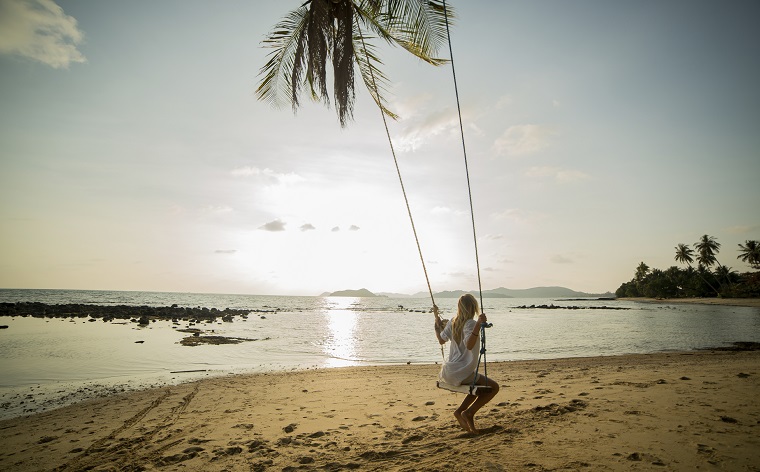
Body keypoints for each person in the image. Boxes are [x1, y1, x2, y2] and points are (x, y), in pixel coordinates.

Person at [434, 294, 499, 434]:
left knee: (477, 387)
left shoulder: (452, 321)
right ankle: (467, 413)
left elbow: (441, 340)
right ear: (472, 307)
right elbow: (469, 345)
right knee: (494, 387)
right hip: (461, 372)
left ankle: (463, 414)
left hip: (448, 371)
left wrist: (436, 327)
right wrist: (477, 325)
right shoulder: (470, 323)